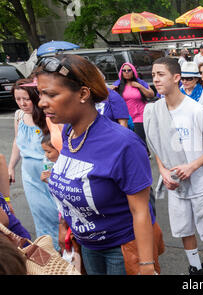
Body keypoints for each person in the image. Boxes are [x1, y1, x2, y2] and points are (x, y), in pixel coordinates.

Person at [36, 54, 159, 275]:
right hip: (87, 247)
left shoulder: (124, 144)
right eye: (41, 93)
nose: (41, 102)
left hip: (121, 248)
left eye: (51, 94)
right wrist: (65, 226)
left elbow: (140, 210)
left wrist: (146, 265)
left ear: (83, 94)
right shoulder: (68, 132)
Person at [144, 57, 203, 275]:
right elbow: (156, 145)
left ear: (176, 77)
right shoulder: (155, 110)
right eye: (153, 75)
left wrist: (192, 166)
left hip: (201, 182)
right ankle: (196, 268)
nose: (156, 80)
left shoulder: (195, 110)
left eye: (161, 75)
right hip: (176, 184)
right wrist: (163, 171)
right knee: (184, 229)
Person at [8, 78, 60, 250]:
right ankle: (50, 252)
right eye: (18, 99)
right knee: (41, 214)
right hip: (30, 175)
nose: (22, 103)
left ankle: (66, 248)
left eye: (26, 99)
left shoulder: (49, 116)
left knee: (57, 213)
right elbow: (17, 141)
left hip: (49, 172)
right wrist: (11, 167)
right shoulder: (19, 115)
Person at [113, 63, 155, 144]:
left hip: (140, 117)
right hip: (125, 119)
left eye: (129, 70)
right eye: (124, 70)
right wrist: (112, 91)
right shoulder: (117, 85)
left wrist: (139, 86)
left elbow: (151, 95)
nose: (126, 72)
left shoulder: (140, 82)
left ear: (133, 72)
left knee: (140, 142)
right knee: (128, 142)